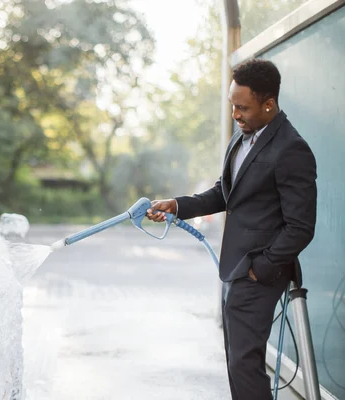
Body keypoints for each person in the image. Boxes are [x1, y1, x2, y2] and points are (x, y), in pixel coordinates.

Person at [146, 58, 317, 400]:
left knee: (244, 364)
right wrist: (177, 205)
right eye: (232, 106)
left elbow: (301, 227)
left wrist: (260, 268)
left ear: (268, 104)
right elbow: (225, 193)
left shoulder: (292, 149)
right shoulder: (242, 138)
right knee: (238, 363)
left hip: (258, 273)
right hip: (236, 271)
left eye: (243, 107)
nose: (235, 115)